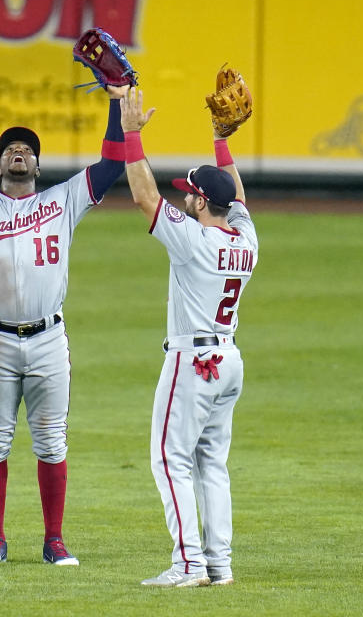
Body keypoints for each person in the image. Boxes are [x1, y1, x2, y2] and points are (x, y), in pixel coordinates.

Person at [0, 33, 128, 566]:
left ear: (37, 166)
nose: (20, 150)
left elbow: (112, 164)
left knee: (52, 443)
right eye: (11, 148)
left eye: (29, 149)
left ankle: (54, 539)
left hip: (48, 340)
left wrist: (115, 103)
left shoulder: (63, 199)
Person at [118, 87, 258, 587]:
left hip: (193, 363)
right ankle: (219, 565)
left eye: (190, 192)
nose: (183, 195)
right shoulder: (246, 240)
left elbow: (143, 195)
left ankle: (189, 564)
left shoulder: (194, 241)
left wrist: (131, 133)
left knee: (169, 457)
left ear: (201, 201)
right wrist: (222, 141)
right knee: (211, 463)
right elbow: (236, 198)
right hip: (230, 362)